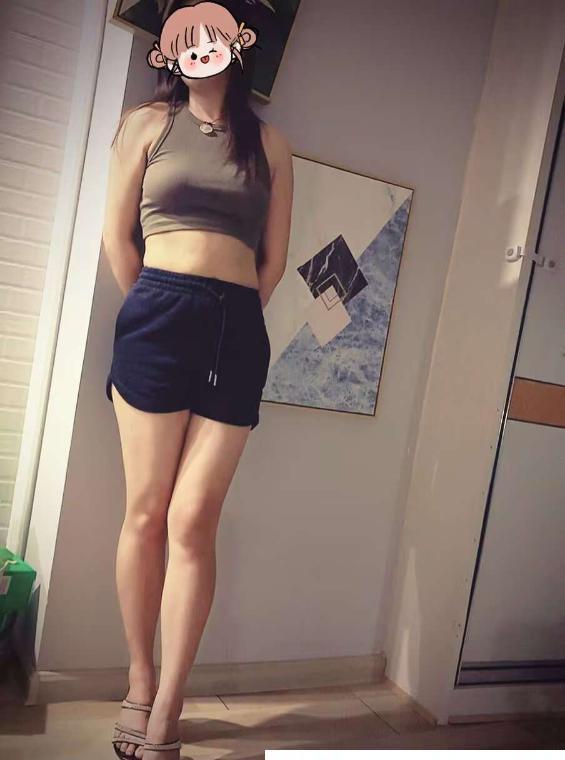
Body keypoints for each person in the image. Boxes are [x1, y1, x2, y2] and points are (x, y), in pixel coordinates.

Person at [102, 3, 293, 758]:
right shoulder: (145, 126)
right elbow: (118, 239)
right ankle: (139, 679)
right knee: (147, 512)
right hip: (156, 314)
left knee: (193, 521)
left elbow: (273, 259)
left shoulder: (270, 144)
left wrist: (228, 311)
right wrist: (159, 303)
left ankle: (170, 704)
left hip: (235, 327)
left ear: (237, 46)